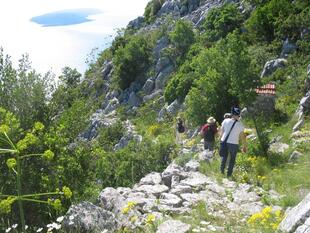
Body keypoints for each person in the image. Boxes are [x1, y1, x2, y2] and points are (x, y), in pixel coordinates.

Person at [219, 107, 247, 177]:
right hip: (234, 143)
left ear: (232, 114)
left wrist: (221, 140)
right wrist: (244, 146)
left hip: (224, 141)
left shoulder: (225, 121)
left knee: (224, 157)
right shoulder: (240, 125)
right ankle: (229, 174)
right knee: (232, 159)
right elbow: (242, 137)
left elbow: (221, 132)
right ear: (238, 115)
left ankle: (221, 172)